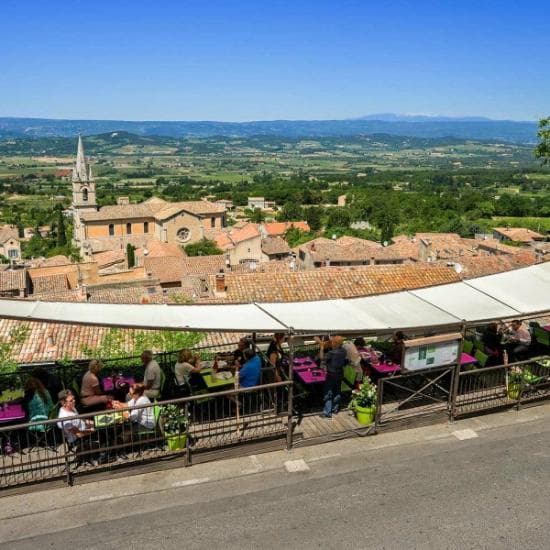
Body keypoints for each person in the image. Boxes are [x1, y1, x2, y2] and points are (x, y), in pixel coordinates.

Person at [56, 389, 101, 464]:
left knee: (104, 427)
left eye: (73, 399)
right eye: (71, 400)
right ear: (64, 403)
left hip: (84, 430)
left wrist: (96, 423)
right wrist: (93, 430)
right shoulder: (65, 417)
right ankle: (102, 457)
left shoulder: (71, 407)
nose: (74, 401)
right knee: (104, 433)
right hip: (77, 439)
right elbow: (78, 434)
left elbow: (81, 419)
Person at [317, 335, 347, 419]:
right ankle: (335, 408)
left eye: (332, 342)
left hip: (331, 375)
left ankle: (327, 414)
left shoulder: (331, 353)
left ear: (335, 343)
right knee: (337, 391)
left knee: (328, 392)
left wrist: (322, 347)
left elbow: (322, 358)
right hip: (340, 373)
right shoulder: (344, 351)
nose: (331, 343)